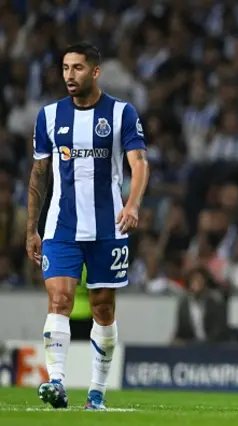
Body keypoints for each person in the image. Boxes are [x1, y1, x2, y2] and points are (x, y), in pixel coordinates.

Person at [25, 42, 149, 410]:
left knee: (103, 308)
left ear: (95, 72)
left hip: (108, 227)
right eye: (65, 68)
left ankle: (96, 392)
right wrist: (33, 227)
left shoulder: (121, 113)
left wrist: (132, 205)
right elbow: (39, 173)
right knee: (59, 299)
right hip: (61, 227)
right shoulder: (49, 116)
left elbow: (139, 163)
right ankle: (57, 382)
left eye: (77, 68)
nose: (69, 75)